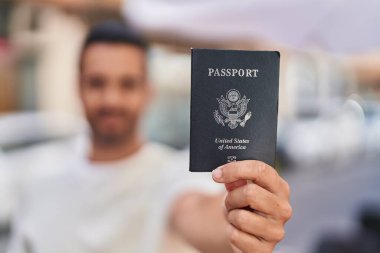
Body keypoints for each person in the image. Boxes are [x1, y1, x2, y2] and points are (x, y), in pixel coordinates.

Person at [6, 21, 292, 253]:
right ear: (78, 87)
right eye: (97, 82)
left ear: (148, 92)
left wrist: (245, 222)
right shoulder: (39, 181)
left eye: (127, 84)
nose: (111, 99)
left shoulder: (173, 174)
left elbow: (198, 215)